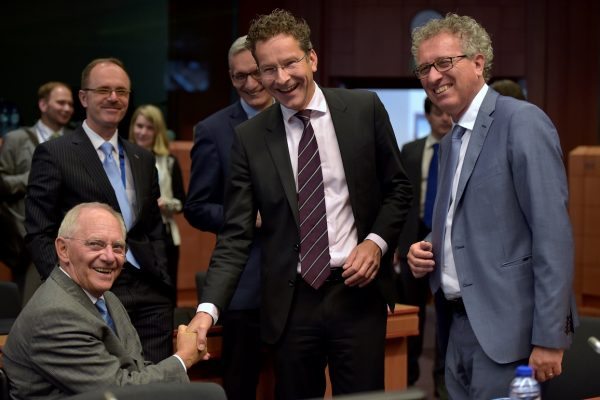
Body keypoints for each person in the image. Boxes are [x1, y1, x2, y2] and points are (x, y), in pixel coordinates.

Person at [187, 9, 412, 399]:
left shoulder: (363, 109)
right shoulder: (251, 138)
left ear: (312, 58)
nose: (282, 78)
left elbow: (399, 189)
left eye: (290, 62)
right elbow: (236, 235)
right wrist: (206, 311)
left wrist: (376, 242)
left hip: (356, 295)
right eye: (268, 69)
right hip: (291, 304)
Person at [407, 13, 577, 399]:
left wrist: (551, 337)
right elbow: (471, 220)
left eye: (444, 63)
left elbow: (553, 235)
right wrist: (429, 246)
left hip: (511, 337)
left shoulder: (522, 123)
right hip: (456, 328)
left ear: (479, 62)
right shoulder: (451, 141)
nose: (433, 76)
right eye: (424, 68)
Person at [25, 58, 174, 364]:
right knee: (107, 386)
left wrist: (161, 273)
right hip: (90, 290)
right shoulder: (55, 153)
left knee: (159, 385)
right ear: (83, 97)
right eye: (103, 89)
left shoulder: (142, 158)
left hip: (149, 292)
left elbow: (152, 227)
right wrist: (67, 288)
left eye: (121, 91)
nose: (113, 97)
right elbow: (39, 231)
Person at [3, 202, 203, 400]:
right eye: (95, 244)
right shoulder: (54, 315)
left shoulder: (107, 298)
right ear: (63, 249)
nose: (109, 257)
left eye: (117, 247)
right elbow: (117, 392)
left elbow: (136, 369)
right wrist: (183, 358)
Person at [184, 35, 272, 400]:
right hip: (245, 282)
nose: (250, 85)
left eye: (256, 74)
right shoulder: (213, 130)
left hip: (303, 281)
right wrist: (243, 217)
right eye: (240, 77)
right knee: (241, 385)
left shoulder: (301, 119)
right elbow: (196, 206)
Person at [396, 96, 452, 393]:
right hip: (413, 238)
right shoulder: (411, 150)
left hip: (448, 240)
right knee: (411, 312)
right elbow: (400, 198)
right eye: (438, 113)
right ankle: (407, 377)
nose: (445, 118)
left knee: (445, 313)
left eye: (448, 113)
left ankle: (441, 381)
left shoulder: (463, 148)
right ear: (428, 116)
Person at [0, 81, 74, 303]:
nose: (67, 108)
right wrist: (37, 176)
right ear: (43, 104)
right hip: (26, 238)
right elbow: (2, 183)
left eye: (70, 104)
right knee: (28, 303)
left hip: (67, 237)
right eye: (60, 102)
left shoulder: (76, 141)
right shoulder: (16, 139)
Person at [129, 104, 185, 291]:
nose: (143, 132)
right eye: (139, 126)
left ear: (157, 131)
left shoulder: (168, 161)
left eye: (149, 127)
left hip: (164, 234)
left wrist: (165, 203)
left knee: (165, 290)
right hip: (129, 234)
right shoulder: (121, 158)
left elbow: (182, 203)